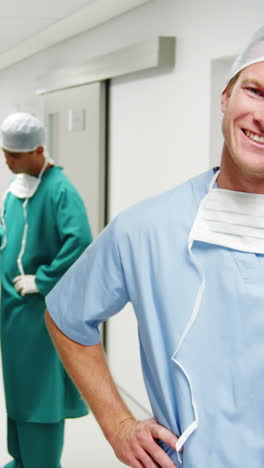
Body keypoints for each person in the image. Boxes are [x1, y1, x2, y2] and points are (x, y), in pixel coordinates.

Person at [45, 25, 264, 467]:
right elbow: (66, 317)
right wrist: (119, 426)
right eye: (256, 91)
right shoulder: (148, 229)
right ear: (225, 97)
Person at [0, 112, 93, 468]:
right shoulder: (18, 187)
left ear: (38, 150)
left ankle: (40, 463)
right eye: (5, 153)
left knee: (40, 393)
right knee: (19, 390)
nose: (7, 160)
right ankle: (21, 458)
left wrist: (43, 279)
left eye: (15, 155)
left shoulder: (59, 190)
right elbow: (10, 234)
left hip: (40, 313)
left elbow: (80, 241)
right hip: (15, 312)